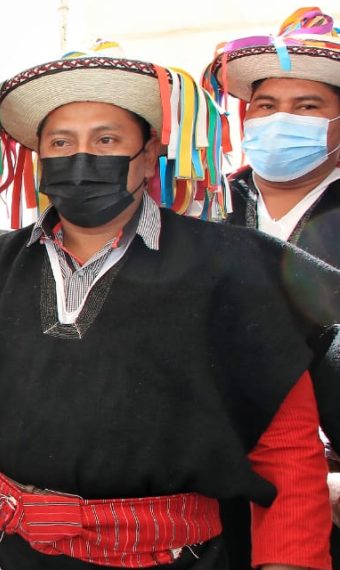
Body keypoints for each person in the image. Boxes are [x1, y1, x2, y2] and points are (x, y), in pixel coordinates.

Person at [0, 43, 339, 569]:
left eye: (106, 139)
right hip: (5, 550)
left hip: (173, 558)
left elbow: (287, 448)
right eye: (61, 142)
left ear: (150, 149)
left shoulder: (234, 268)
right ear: (39, 156)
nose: (81, 158)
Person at [204, 6, 340, 566]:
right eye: (265, 106)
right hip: (214, 496)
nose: (281, 119)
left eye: (308, 106)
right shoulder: (202, 210)